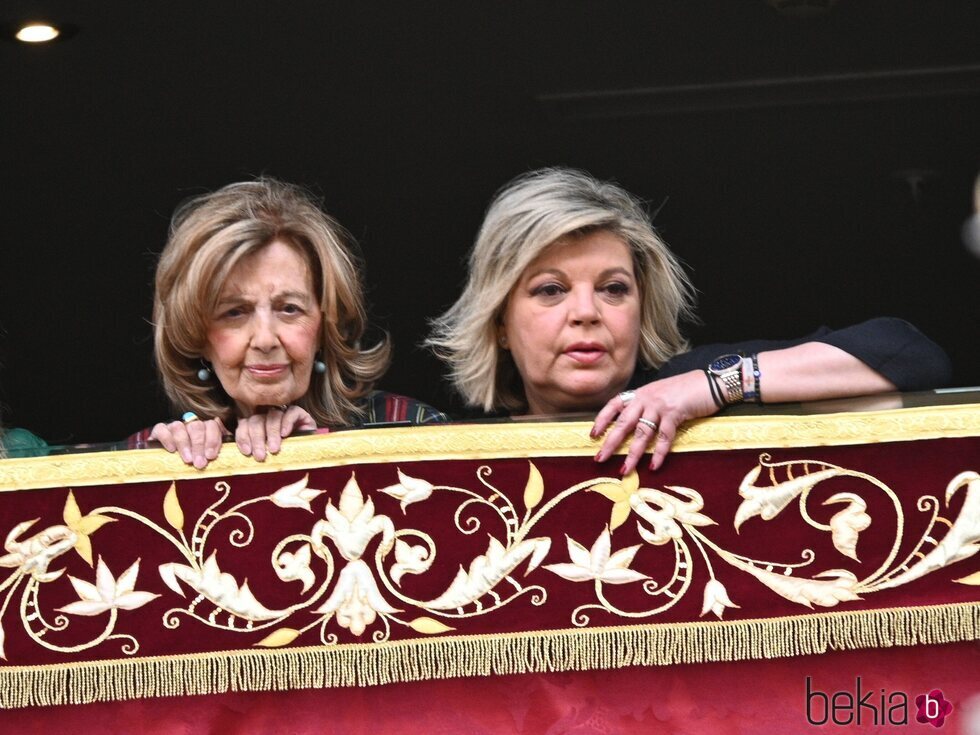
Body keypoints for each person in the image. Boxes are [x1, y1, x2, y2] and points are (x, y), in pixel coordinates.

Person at [427, 167, 951, 474]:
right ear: (498, 321)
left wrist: (711, 387)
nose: (586, 313)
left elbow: (909, 354)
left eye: (614, 289)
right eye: (550, 290)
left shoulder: (693, 386)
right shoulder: (452, 451)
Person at [142, 178, 445, 468]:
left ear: (326, 325)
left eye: (289, 308)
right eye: (235, 312)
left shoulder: (419, 434)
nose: (264, 340)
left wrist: (319, 457)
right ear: (196, 336)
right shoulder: (150, 455)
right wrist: (170, 472)